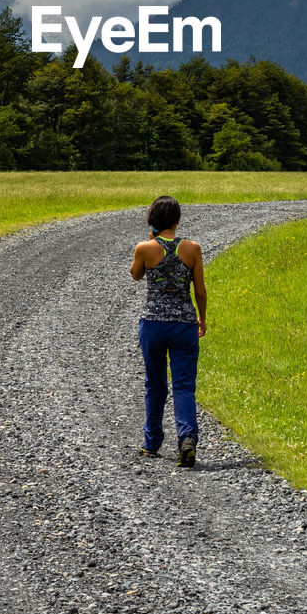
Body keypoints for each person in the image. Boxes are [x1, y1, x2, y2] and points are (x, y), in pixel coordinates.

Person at [129, 195, 207, 467]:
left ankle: (151, 443)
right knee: (184, 385)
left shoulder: (144, 248)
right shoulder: (192, 248)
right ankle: (187, 439)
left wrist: (148, 240)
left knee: (155, 384)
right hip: (184, 324)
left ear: (153, 221)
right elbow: (199, 290)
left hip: (153, 324)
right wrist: (202, 318)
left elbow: (136, 275)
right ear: (177, 220)